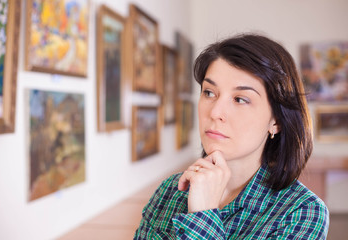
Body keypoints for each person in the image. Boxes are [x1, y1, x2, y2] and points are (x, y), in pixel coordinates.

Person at [134, 33, 329, 239]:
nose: (215, 112)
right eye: (209, 92)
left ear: (277, 121)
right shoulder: (170, 191)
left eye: (240, 99)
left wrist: (202, 216)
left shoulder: (302, 212)